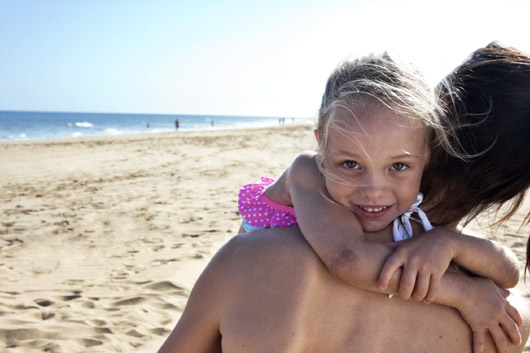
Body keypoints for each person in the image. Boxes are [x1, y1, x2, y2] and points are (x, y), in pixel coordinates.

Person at [158, 44, 530, 353]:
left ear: (428, 144)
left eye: (398, 166)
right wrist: (465, 291)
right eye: (350, 164)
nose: (373, 190)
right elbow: (348, 259)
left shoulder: (247, 263)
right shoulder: (505, 322)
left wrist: (450, 244)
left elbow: (505, 266)